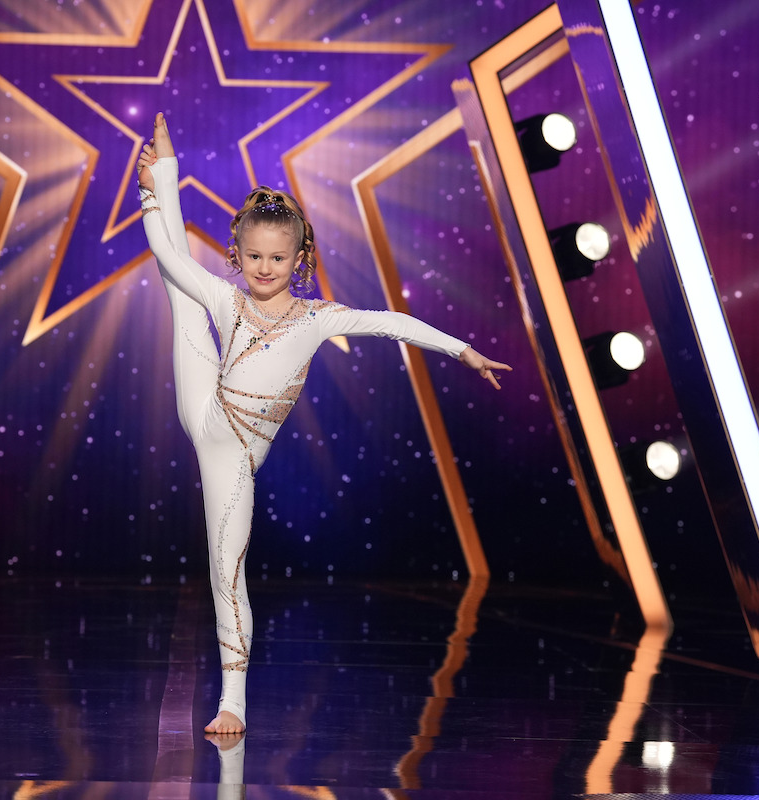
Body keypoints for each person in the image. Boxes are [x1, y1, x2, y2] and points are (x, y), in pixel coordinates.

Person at [136, 112, 510, 735]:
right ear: (238, 253)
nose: (262, 268)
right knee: (181, 292)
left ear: (299, 256)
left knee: (225, 568)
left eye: (276, 258)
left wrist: (461, 349)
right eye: (252, 255)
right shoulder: (228, 298)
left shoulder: (318, 318)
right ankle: (165, 167)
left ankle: (234, 700)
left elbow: (393, 322)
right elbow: (169, 256)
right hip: (204, 404)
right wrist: (156, 187)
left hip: (232, 454)